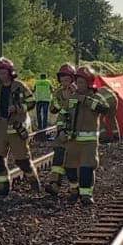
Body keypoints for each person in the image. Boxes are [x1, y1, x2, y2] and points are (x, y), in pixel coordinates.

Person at [62, 65, 115, 205]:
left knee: (86, 168)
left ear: (89, 83)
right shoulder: (72, 97)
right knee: (69, 168)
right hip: (73, 140)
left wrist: (84, 100)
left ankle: (86, 195)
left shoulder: (96, 97)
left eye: (81, 82)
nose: (78, 85)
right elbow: (65, 113)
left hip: (89, 141)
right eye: (77, 82)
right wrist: (62, 129)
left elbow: (104, 108)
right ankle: (74, 190)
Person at [0, 56, 40, 194]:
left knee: (22, 161)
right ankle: (3, 187)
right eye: (0, 73)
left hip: (16, 126)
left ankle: (33, 181)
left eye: (4, 72)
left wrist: (17, 108)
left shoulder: (20, 86)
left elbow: (31, 102)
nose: (2, 75)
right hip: (1, 126)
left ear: (10, 72)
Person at [44, 63, 77, 196]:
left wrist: (71, 96)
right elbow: (53, 109)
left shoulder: (79, 92)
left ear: (73, 79)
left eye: (67, 80)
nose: (64, 83)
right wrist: (61, 98)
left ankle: (75, 188)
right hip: (62, 130)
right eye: (62, 80)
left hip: (76, 130)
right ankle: (54, 184)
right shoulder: (58, 92)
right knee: (58, 156)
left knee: (73, 161)